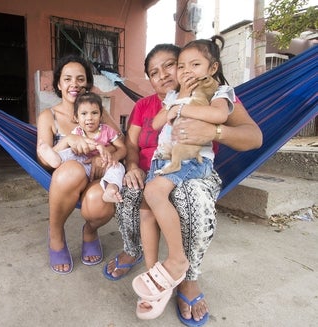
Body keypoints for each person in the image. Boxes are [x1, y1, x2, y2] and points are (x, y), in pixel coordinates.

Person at [103, 40, 262, 325]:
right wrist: (130, 166)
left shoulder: (213, 91)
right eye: (154, 72)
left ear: (189, 66)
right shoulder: (148, 105)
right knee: (133, 196)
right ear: (149, 79)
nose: (163, 75)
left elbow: (254, 137)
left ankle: (188, 277)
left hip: (193, 166)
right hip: (155, 167)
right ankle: (151, 268)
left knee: (192, 198)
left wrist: (215, 131)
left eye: (170, 65)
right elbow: (132, 143)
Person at [132, 35, 237, 320]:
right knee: (145, 211)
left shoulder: (217, 90)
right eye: (182, 66)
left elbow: (219, 117)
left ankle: (177, 260)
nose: (183, 71)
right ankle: (155, 274)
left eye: (193, 64)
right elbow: (153, 125)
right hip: (163, 160)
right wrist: (175, 102)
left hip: (190, 160)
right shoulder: (172, 96)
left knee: (154, 194)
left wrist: (180, 108)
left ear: (212, 67)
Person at [36, 55, 122, 274]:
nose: (74, 84)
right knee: (71, 170)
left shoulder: (99, 114)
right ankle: (56, 233)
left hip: (96, 176)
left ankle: (90, 231)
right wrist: (67, 140)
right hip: (67, 179)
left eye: (80, 79)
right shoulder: (49, 116)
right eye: (67, 79)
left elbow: (120, 143)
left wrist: (101, 156)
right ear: (59, 84)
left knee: (99, 202)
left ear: (88, 83)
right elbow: (42, 161)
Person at [38, 92, 126, 203]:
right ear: (76, 117)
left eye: (94, 113)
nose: (89, 118)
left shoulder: (107, 130)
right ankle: (56, 158)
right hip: (83, 165)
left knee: (118, 168)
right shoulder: (77, 132)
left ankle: (111, 188)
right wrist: (96, 146)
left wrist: (114, 158)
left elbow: (122, 148)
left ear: (101, 116)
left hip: (104, 166)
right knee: (70, 152)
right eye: (84, 114)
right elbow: (75, 148)